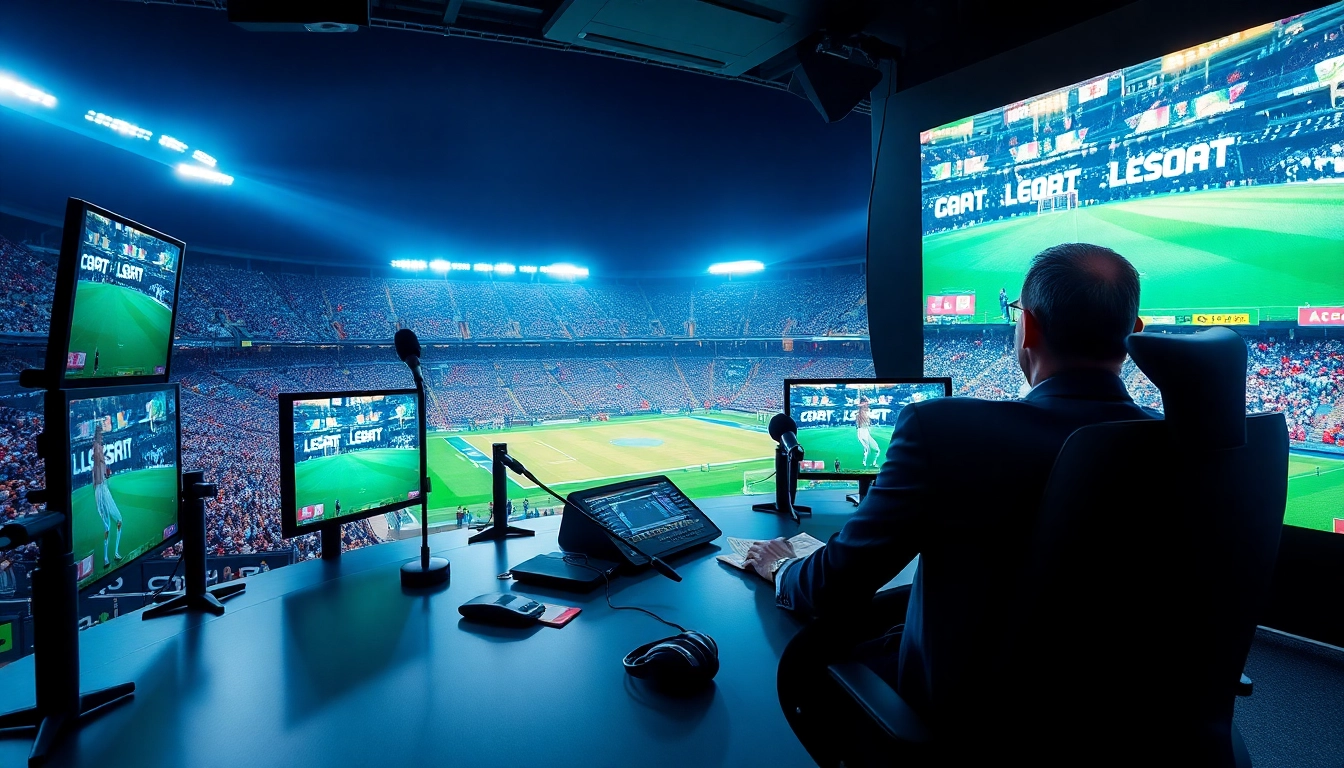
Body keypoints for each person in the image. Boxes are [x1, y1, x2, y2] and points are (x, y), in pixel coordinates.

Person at [745, 243, 1152, 758]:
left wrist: (782, 568)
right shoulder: (1192, 446)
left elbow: (831, 587)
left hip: (970, 722)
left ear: (1027, 327)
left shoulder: (945, 432)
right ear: (1134, 332)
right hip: (1124, 720)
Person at [91, 421, 124, 568]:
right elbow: (97, 450)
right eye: (101, 436)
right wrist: (97, 439)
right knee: (110, 526)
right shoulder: (98, 459)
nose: (102, 439)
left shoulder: (100, 466)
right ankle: (107, 557)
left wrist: (107, 476)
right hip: (101, 491)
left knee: (116, 522)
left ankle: (112, 554)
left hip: (103, 489)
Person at [853, 396, 880, 468]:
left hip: (866, 432)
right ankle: (864, 464)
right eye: (865, 403)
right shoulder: (859, 412)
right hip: (861, 431)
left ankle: (873, 463)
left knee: (876, 450)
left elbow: (869, 404)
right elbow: (858, 406)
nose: (867, 405)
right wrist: (864, 402)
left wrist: (866, 400)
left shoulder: (866, 411)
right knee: (867, 449)